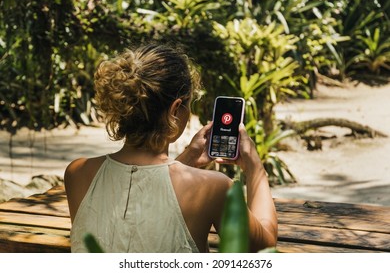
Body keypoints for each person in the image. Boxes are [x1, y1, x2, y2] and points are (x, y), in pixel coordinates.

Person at [64, 43, 277, 253]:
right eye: (189, 105)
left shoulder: (78, 173)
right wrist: (254, 165)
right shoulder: (214, 188)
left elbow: (141, 212)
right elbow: (264, 249)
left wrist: (188, 158)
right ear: (175, 110)